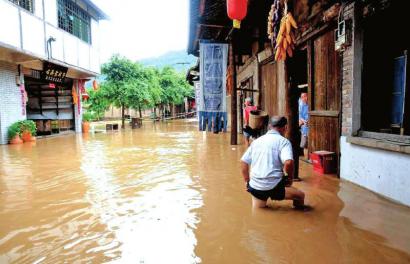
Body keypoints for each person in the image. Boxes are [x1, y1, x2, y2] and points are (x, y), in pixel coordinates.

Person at [240, 116, 307, 210]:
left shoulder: (256, 141)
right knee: (300, 196)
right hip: (275, 187)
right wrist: (290, 178)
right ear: (285, 128)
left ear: (269, 127)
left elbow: (243, 162)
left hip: (256, 187)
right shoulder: (284, 142)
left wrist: (247, 182)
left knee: (259, 211)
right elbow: (288, 162)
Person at [299, 92, 309, 161]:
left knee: (310, 144)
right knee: (304, 144)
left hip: (311, 127)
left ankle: (310, 159)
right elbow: (300, 116)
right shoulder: (302, 106)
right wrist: (303, 120)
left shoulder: (309, 105)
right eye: (302, 97)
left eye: (305, 96)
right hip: (304, 128)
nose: (303, 98)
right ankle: (306, 159)